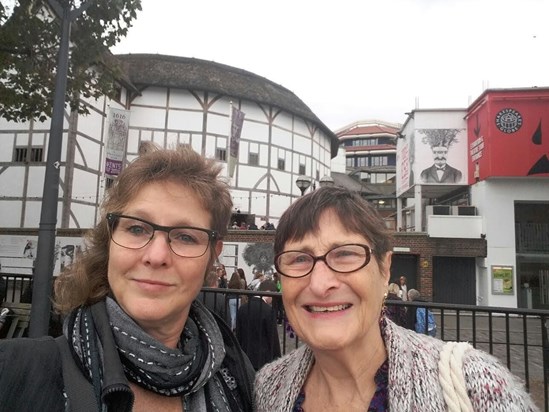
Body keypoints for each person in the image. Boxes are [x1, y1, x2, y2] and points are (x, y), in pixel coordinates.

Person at [0, 145, 254, 411]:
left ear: (212, 255)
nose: (156, 256)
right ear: (110, 239)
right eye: (136, 228)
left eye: (186, 236)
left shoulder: (239, 377)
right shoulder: (14, 371)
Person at [254, 186, 537, 411]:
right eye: (299, 259)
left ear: (384, 268)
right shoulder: (268, 387)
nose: (320, 283)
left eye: (345, 254)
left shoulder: (475, 384)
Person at [236, 279, 281, 371]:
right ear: (268, 292)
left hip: (245, 357)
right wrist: (277, 357)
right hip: (263, 359)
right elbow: (272, 338)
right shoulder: (268, 311)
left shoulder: (242, 309)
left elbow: (238, 334)